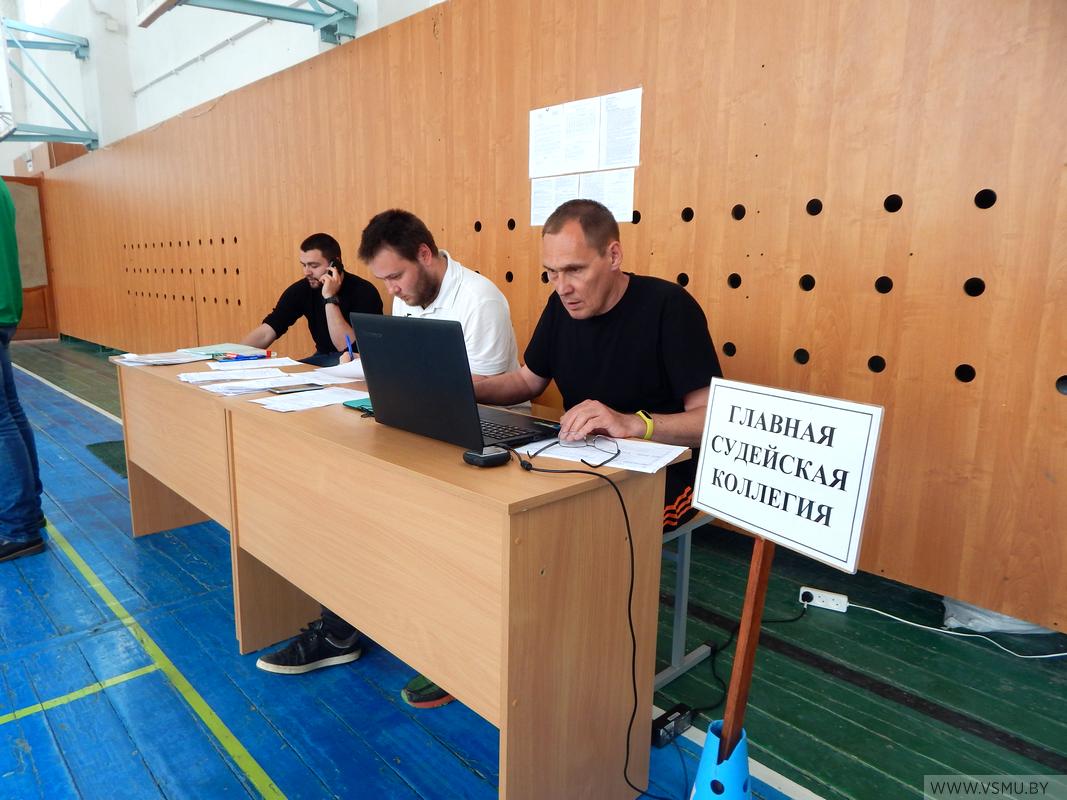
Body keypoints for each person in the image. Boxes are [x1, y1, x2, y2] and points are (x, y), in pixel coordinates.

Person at [256, 210, 521, 711]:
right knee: (338, 487)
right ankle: (341, 630)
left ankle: (453, 654)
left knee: (407, 514)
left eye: (396, 276)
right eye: (384, 280)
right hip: (426, 426)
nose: (393, 290)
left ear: (425, 254)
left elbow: (486, 395)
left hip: (485, 437)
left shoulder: (480, 299)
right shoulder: (410, 297)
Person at [474, 198, 722, 531]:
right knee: (500, 506)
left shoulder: (670, 307)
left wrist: (633, 423)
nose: (563, 288)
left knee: (578, 526)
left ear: (614, 256)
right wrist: (468, 387)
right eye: (552, 273)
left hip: (663, 469)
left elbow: (710, 421)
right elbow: (526, 381)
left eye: (575, 270)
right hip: (582, 458)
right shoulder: (561, 305)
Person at [241, 233, 383, 366]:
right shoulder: (302, 289)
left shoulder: (364, 292)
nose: (306, 272)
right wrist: (234, 355)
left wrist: (329, 298)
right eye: (304, 265)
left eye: (314, 266)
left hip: (356, 361)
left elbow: (346, 348)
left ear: (335, 263)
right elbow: (268, 331)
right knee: (287, 371)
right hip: (322, 358)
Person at [0, 179, 46, 562]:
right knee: (10, 412)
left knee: (2, 419)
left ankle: (20, 527)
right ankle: (30, 511)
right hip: (6, 308)